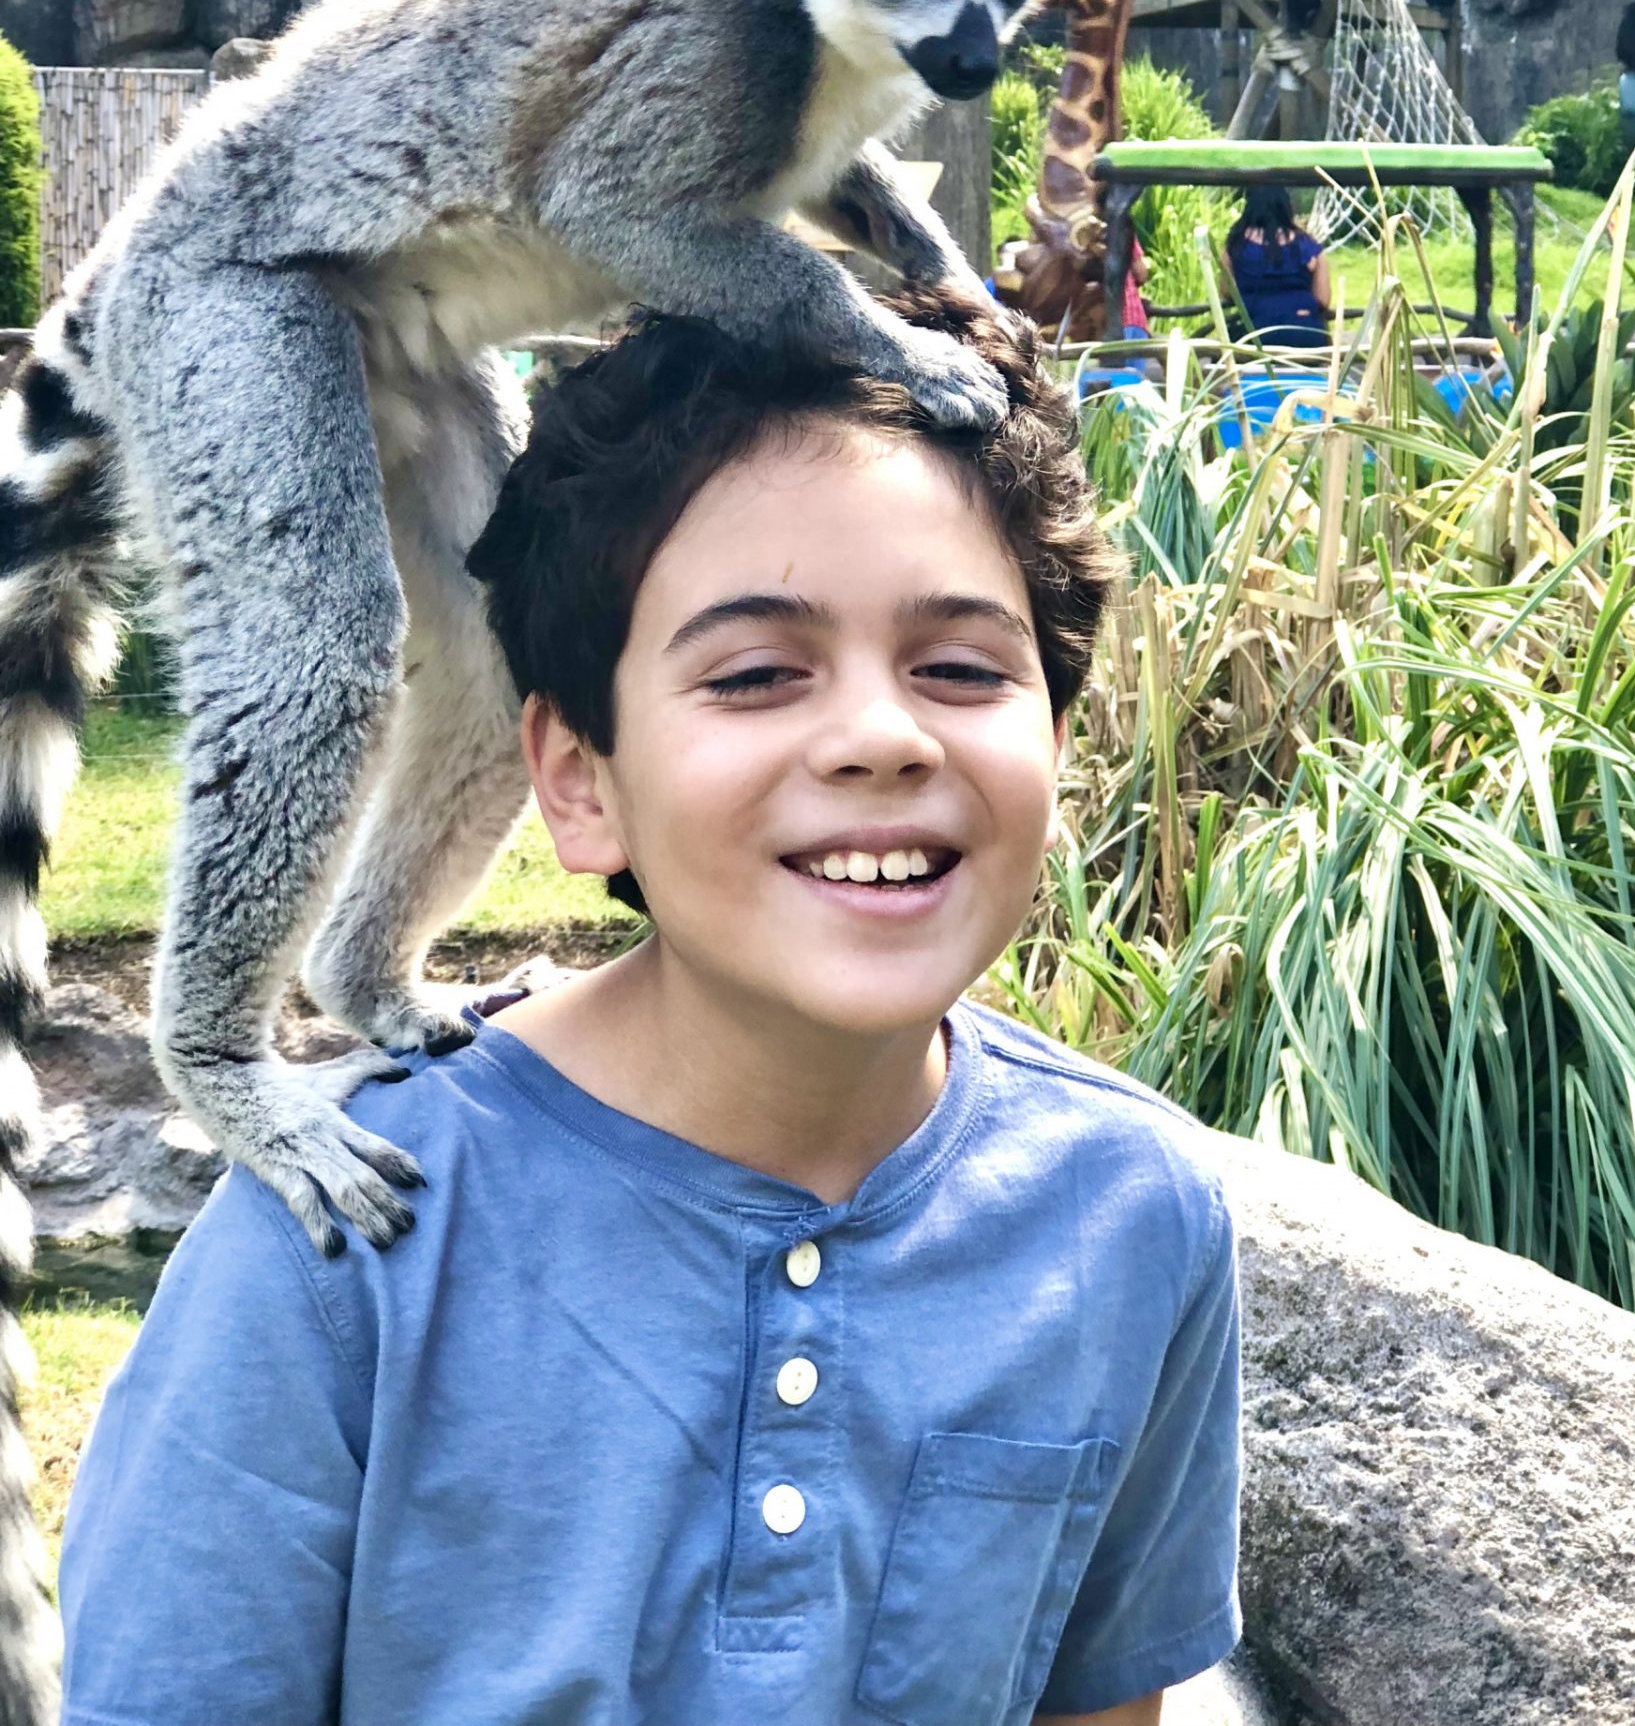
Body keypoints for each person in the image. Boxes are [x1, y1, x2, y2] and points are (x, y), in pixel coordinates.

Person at [59, 294, 1243, 1726]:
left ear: (1056, 738)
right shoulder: (343, 1246)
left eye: (962, 667)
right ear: (576, 778)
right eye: (755, 674)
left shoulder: (1132, 1215)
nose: (882, 736)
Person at [1223, 187, 1331, 339]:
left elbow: (1226, 291)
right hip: (1305, 331)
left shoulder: (1235, 246)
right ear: (1286, 208)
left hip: (1254, 333)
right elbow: (1322, 299)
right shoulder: (1310, 247)